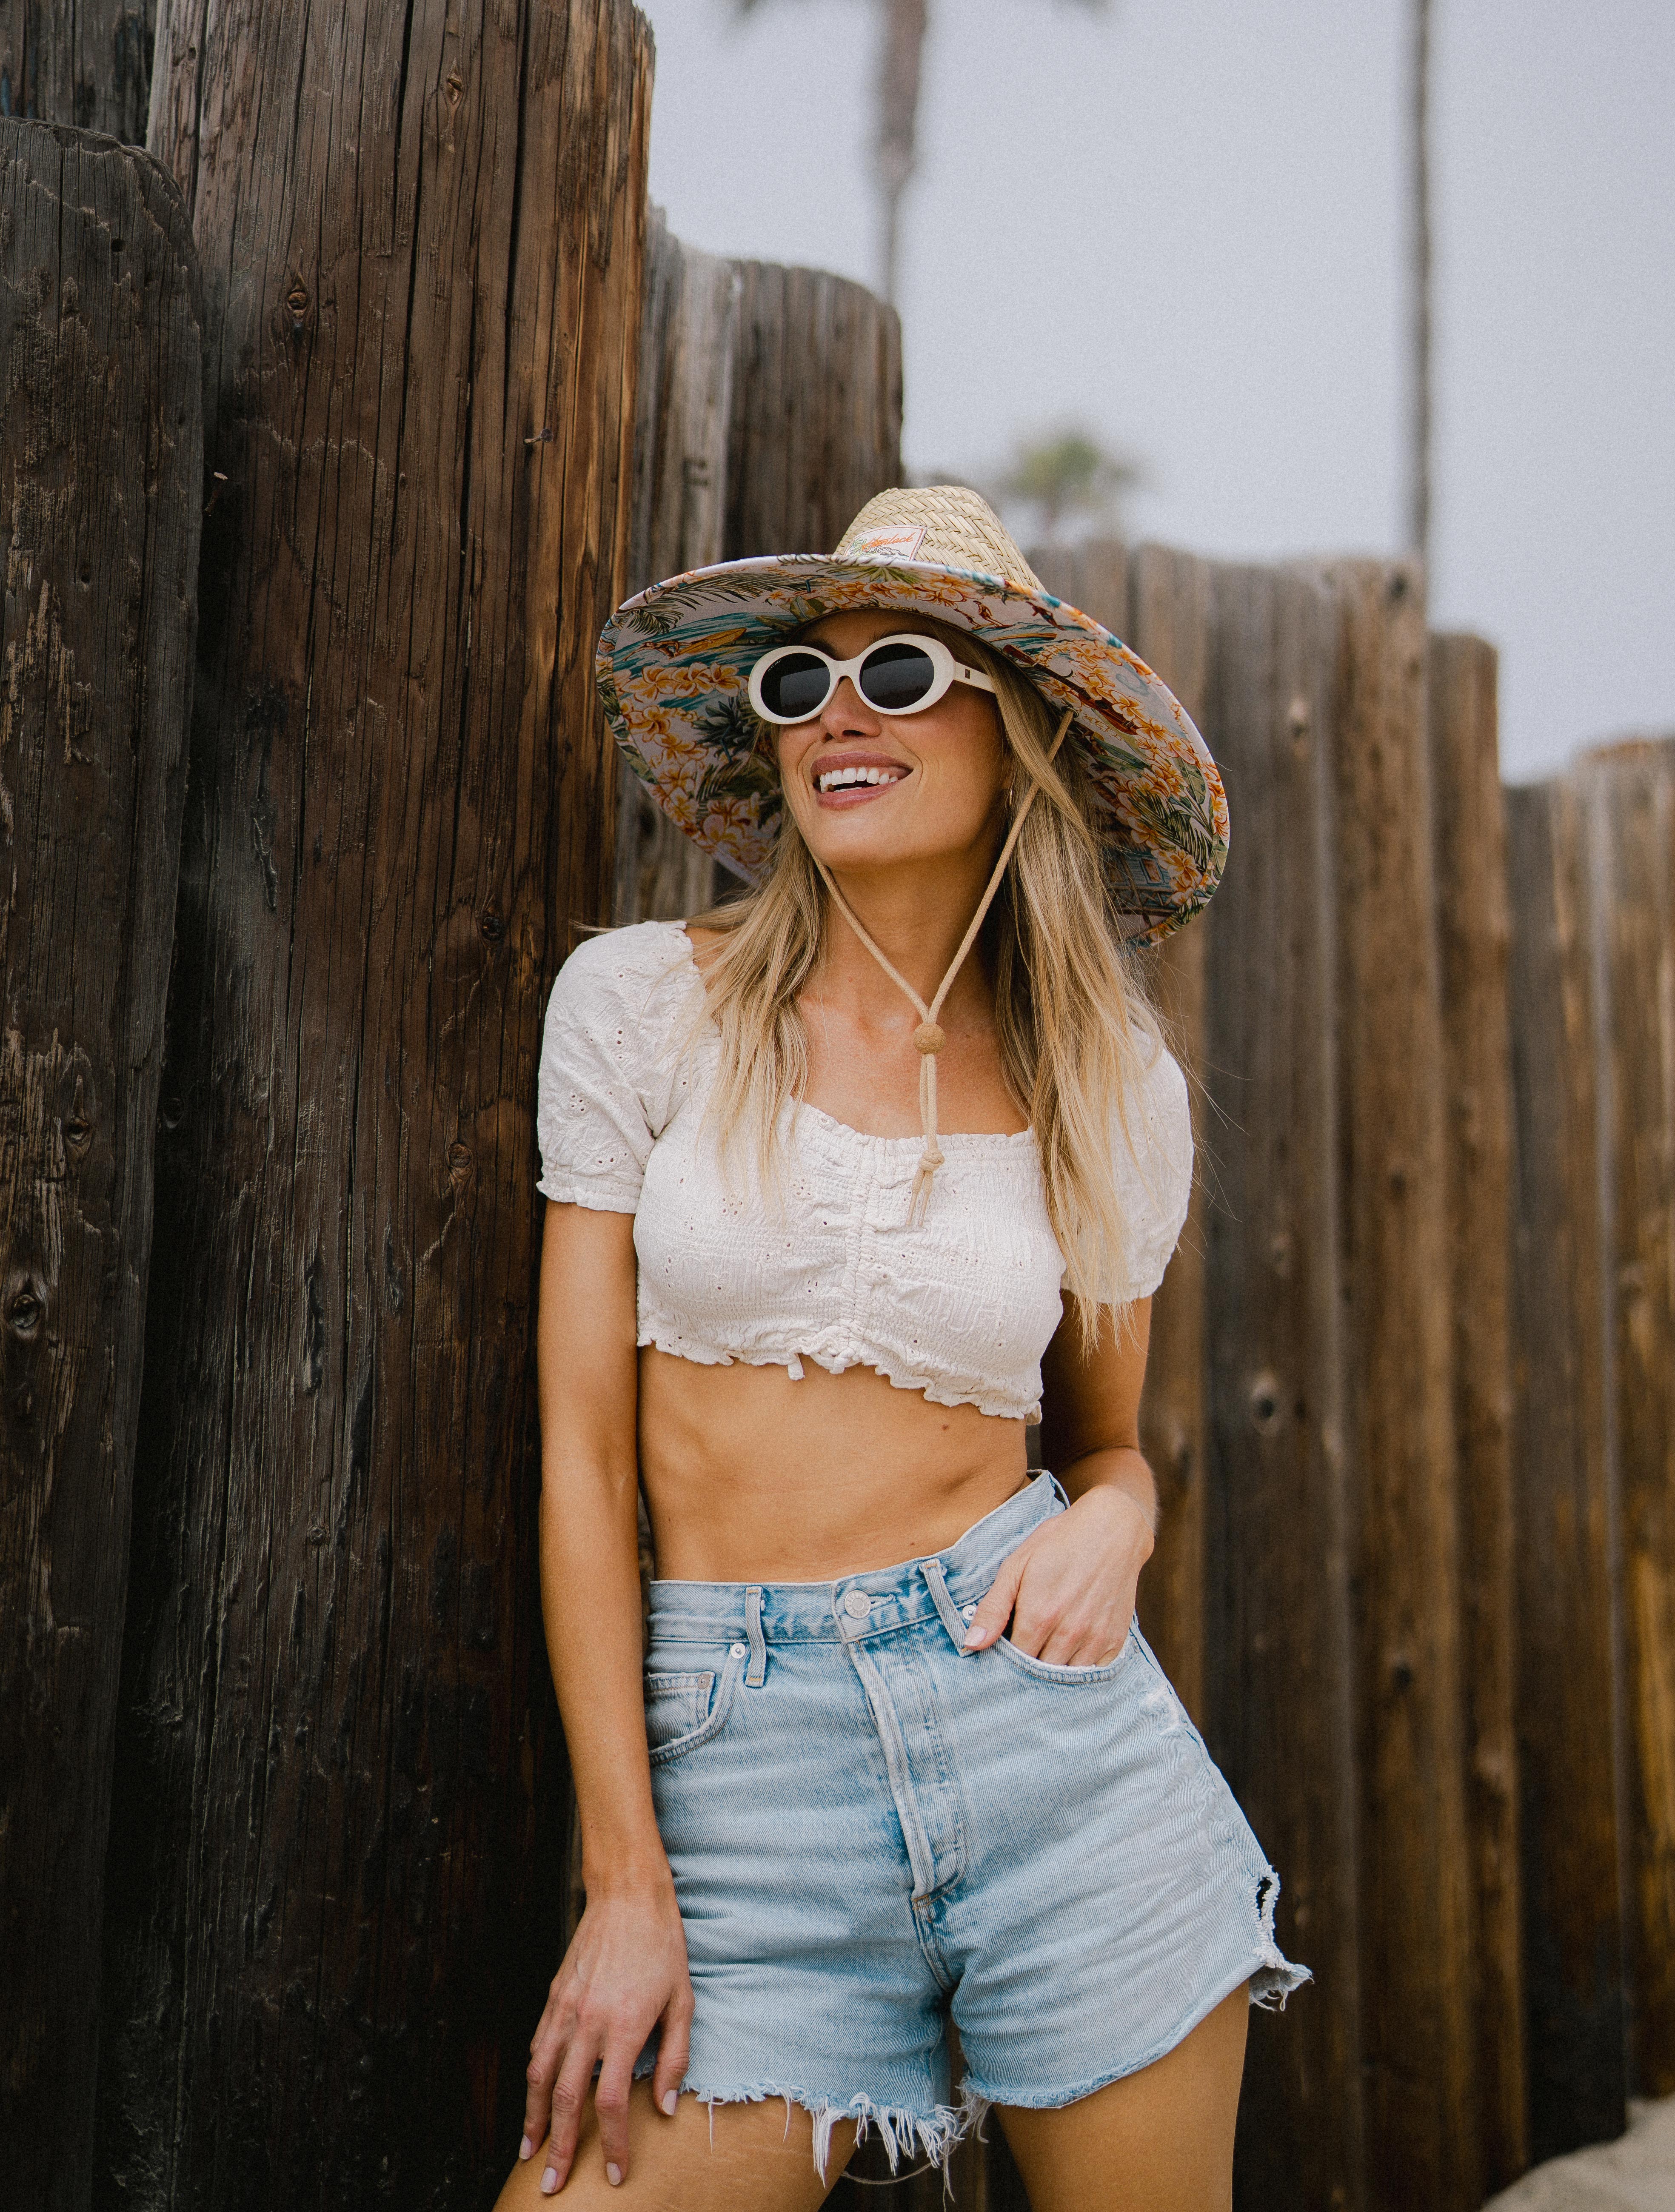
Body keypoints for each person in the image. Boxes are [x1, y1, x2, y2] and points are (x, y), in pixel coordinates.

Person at [498, 487, 1304, 2212]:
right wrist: (625, 1879)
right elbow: (577, 1455)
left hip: (1053, 1747)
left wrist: (1118, 1518)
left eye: (901, 668)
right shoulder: (644, 1006)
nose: (834, 710)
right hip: (736, 1763)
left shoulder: (1110, 1088)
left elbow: (1101, 1442)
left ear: (1013, 739)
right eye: (798, 683)